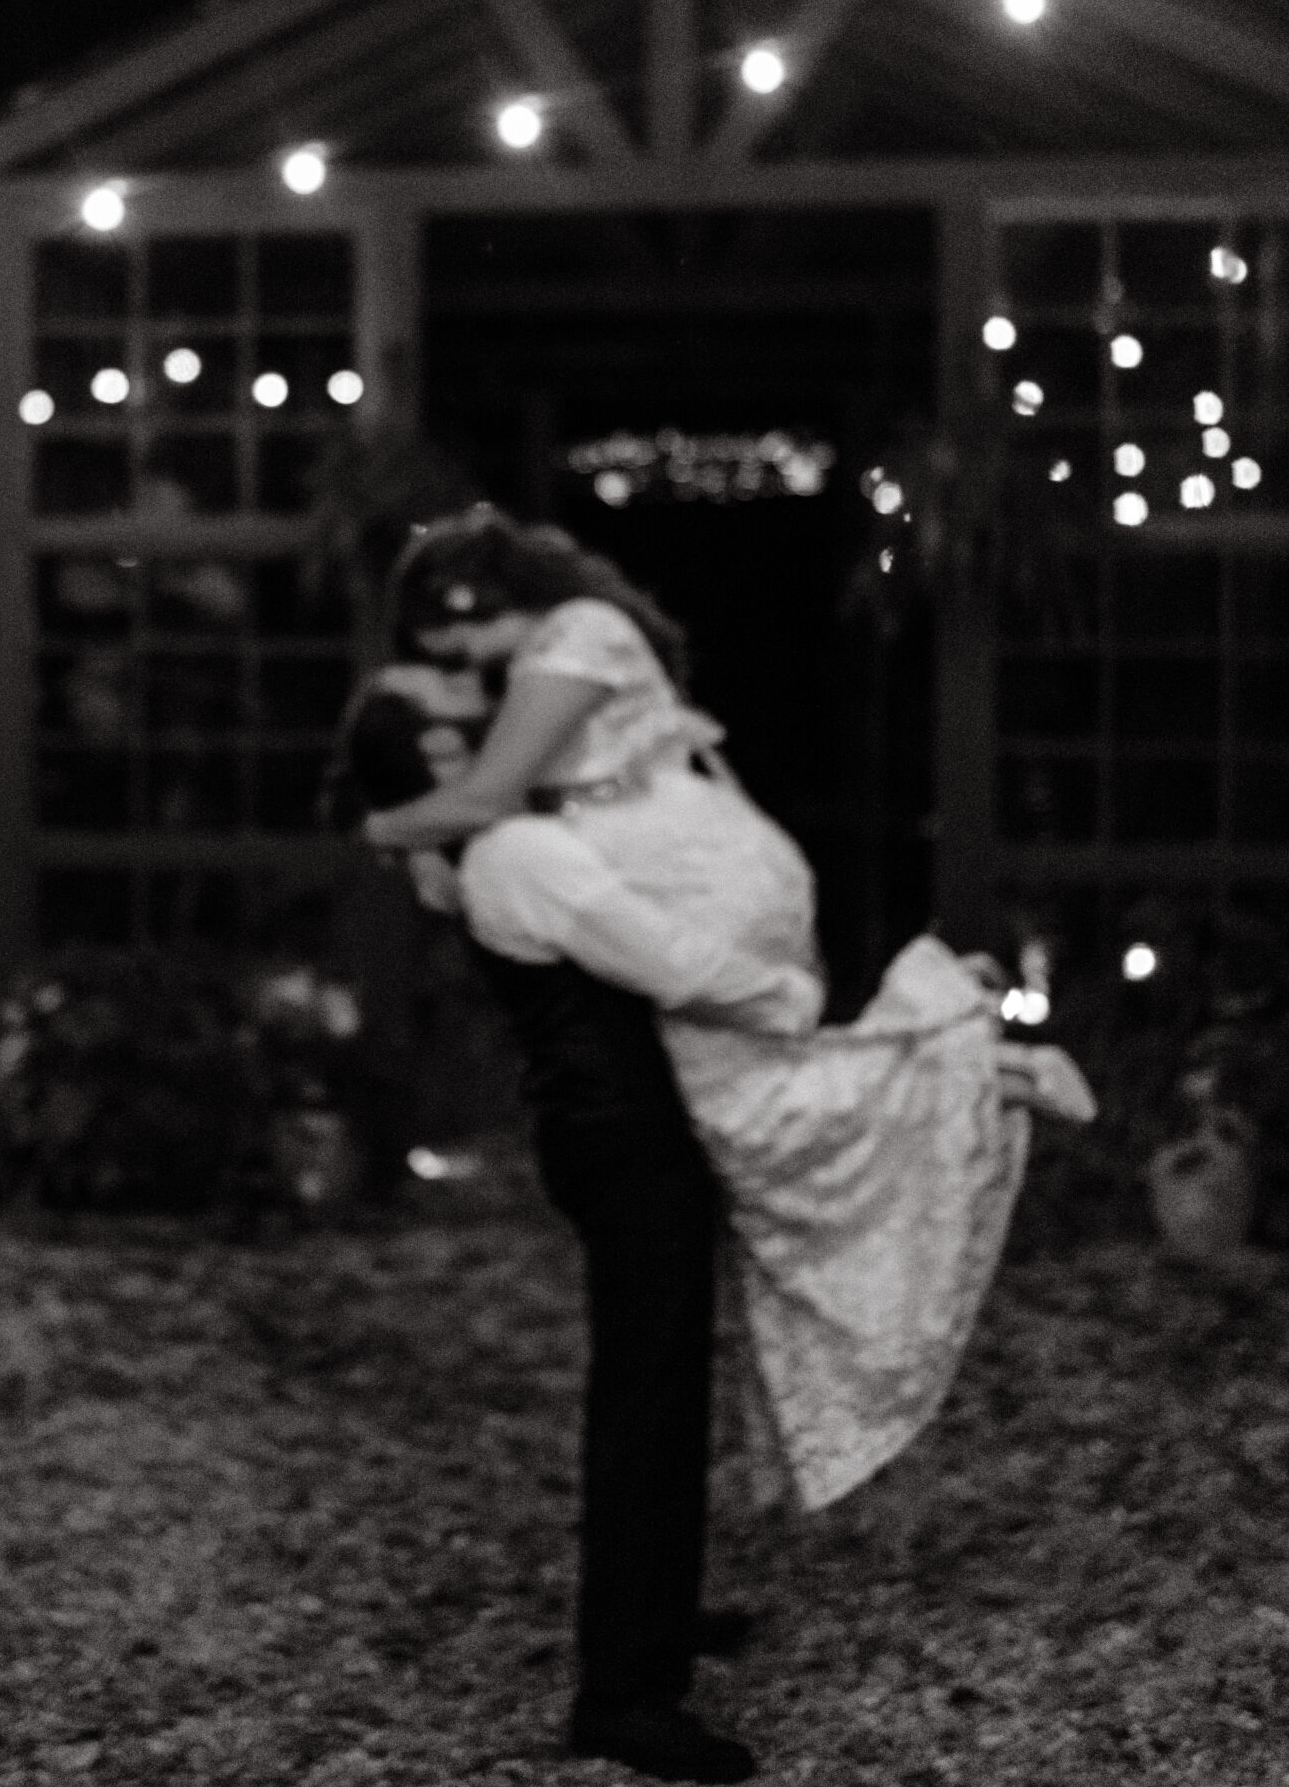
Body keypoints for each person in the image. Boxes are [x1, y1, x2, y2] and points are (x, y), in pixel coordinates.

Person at [358, 506, 1095, 1519]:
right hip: (690, 860)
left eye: (459, 644)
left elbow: (487, 797)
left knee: (744, 1098)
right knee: (751, 1099)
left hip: (687, 875)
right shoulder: (577, 645)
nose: (469, 669)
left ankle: (969, 1057)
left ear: (470, 601)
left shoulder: (573, 636)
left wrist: (381, 822)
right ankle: (986, 1065)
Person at [335, 668, 760, 1787]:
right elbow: (669, 959)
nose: (484, 742)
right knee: (647, 1398)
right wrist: (787, 997)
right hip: (621, 1140)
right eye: (450, 741)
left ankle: (654, 1618)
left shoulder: (494, 845)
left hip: (613, 1130)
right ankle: (625, 1691)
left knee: (660, 1389)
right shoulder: (514, 854)